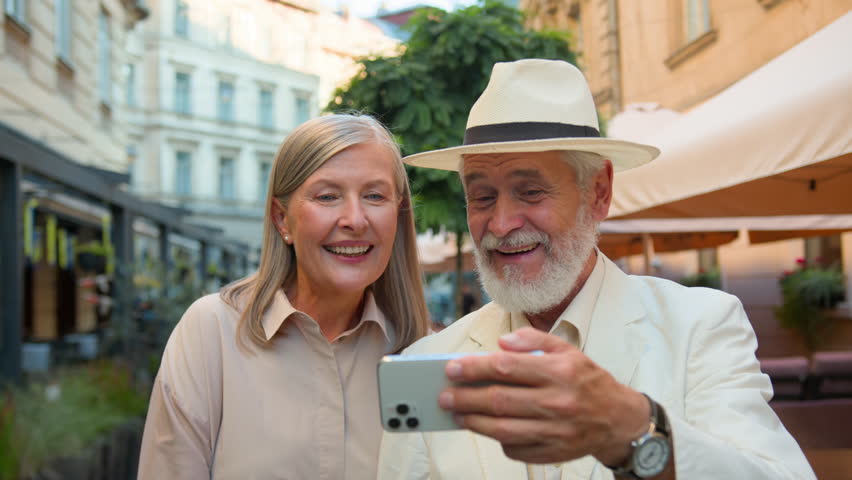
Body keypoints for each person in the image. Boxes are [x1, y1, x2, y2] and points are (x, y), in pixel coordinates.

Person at [377, 59, 815, 479]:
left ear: (599, 193)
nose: (501, 223)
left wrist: (632, 432)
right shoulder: (430, 363)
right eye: (483, 197)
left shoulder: (699, 326)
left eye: (530, 192)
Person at [138, 114, 430, 479]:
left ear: (398, 214)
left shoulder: (419, 353)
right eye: (328, 196)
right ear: (281, 219)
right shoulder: (212, 332)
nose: (355, 219)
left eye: (374, 195)